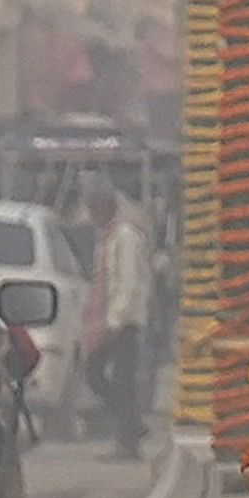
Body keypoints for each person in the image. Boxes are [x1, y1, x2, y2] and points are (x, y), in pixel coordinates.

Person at [83, 187, 155, 455]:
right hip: (108, 321)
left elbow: (129, 282)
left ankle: (129, 440)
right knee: (97, 375)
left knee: (119, 380)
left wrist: (115, 321)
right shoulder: (108, 237)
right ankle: (132, 426)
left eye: (93, 211)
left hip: (123, 322)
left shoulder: (126, 236)